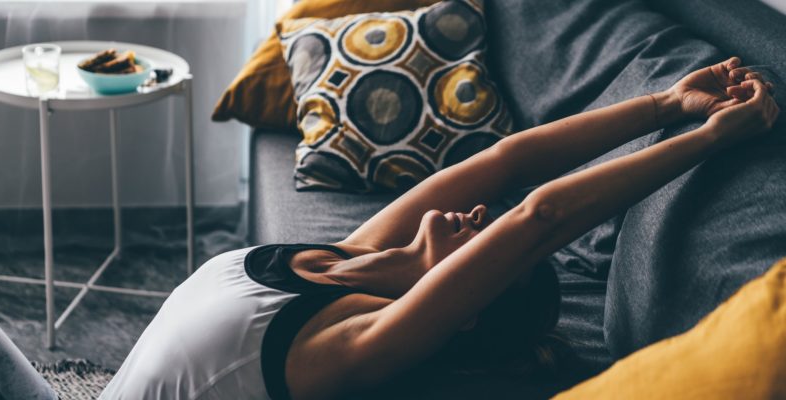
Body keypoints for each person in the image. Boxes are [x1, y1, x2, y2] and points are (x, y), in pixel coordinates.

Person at [98, 57, 778, 400]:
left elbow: (539, 216)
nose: (482, 217)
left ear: (465, 302)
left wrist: (711, 139)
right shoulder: (348, 257)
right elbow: (510, 160)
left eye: (484, 247)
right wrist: (665, 102)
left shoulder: (348, 343)